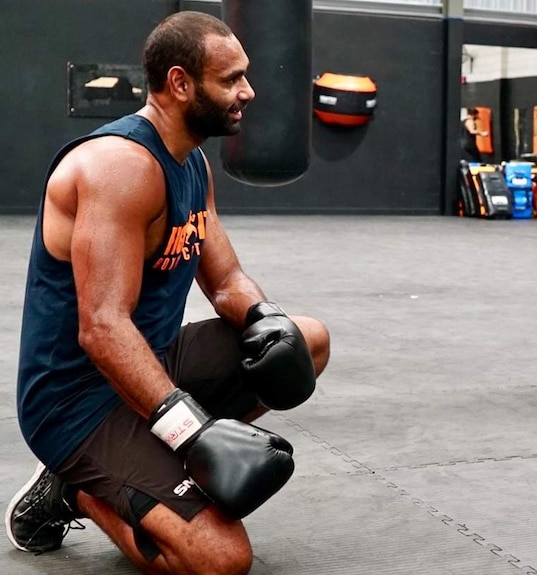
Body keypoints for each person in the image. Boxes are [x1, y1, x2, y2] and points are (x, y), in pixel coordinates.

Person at [5, 11, 330, 575]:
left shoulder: (191, 164)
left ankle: (148, 458)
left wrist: (264, 316)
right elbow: (102, 327)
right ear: (181, 83)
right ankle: (74, 491)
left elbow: (226, 281)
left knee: (305, 341)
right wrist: (191, 432)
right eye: (231, 79)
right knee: (220, 560)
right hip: (76, 401)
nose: (248, 92)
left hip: (151, 361)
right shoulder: (118, 169)